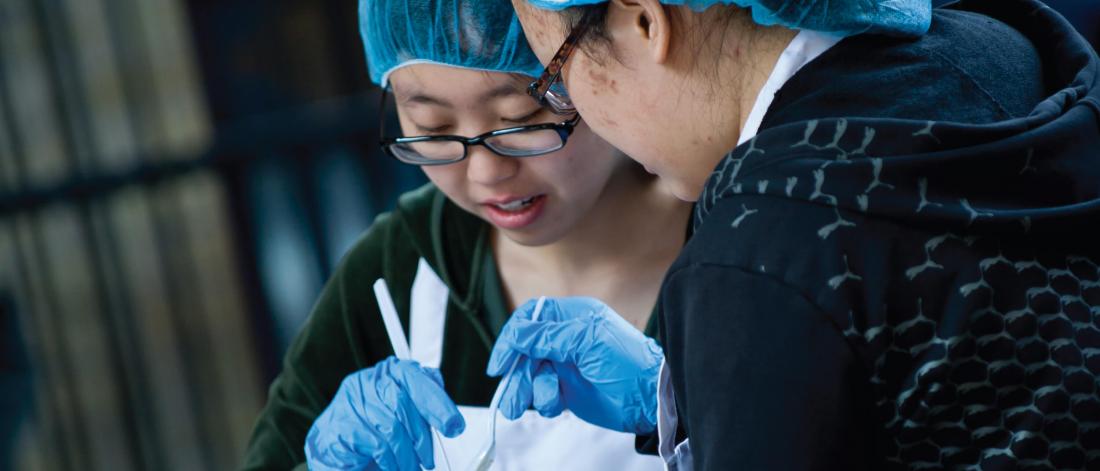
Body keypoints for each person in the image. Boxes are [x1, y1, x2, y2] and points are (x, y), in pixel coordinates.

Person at [488, 0, 1100, 469]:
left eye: (558, 78)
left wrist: (741, 355)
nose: (580, 111)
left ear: (646, 21)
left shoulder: (755, 253)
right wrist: (693, 398)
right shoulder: (1001, 44)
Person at [238, 0, 690, 469]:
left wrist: (686, 410)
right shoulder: (399, 265)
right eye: (433, 127)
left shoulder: (735, 236)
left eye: (521, 118)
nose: (486, 172)